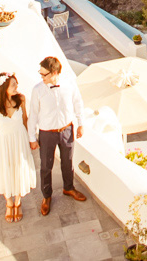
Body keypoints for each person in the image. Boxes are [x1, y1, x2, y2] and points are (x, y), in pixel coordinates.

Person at [28, 55, 87, 216]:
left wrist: (81, 124)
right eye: (40, 74)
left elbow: (78, 104)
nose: (41, 77)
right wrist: (32, 138)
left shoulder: (69, 85)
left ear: (54, 72)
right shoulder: (37, 90)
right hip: (47, 133)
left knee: (68, 162)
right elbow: (33, 114)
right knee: (46, 166)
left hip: (67, 130)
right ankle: (46, 196)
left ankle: (69, 188)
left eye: (44, 74)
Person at [0, 72, 37, 223]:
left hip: (20, 140)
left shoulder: (21, 99)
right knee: (6, 169)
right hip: (4, 143)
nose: (16, 87)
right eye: (13, 85)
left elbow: (25, 119)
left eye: (16, 84)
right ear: (4, 87)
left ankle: (18, 202)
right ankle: (9, 203)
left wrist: (30, 138)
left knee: (19, 168)